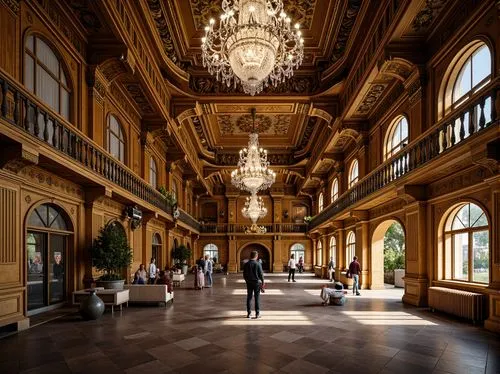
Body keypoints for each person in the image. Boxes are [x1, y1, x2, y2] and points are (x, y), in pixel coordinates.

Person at [243, 250, 264, 319]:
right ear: (256, 256)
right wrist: (263, 283)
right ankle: (257, 314)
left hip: (249, 283)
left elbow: (244, 275)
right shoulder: (258, 264)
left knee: (249, 298)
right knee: (257, 298)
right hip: (257, 283)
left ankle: (249, 313)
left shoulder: (246, 264)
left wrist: (247, 281)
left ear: (250, 256)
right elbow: (261, 274)